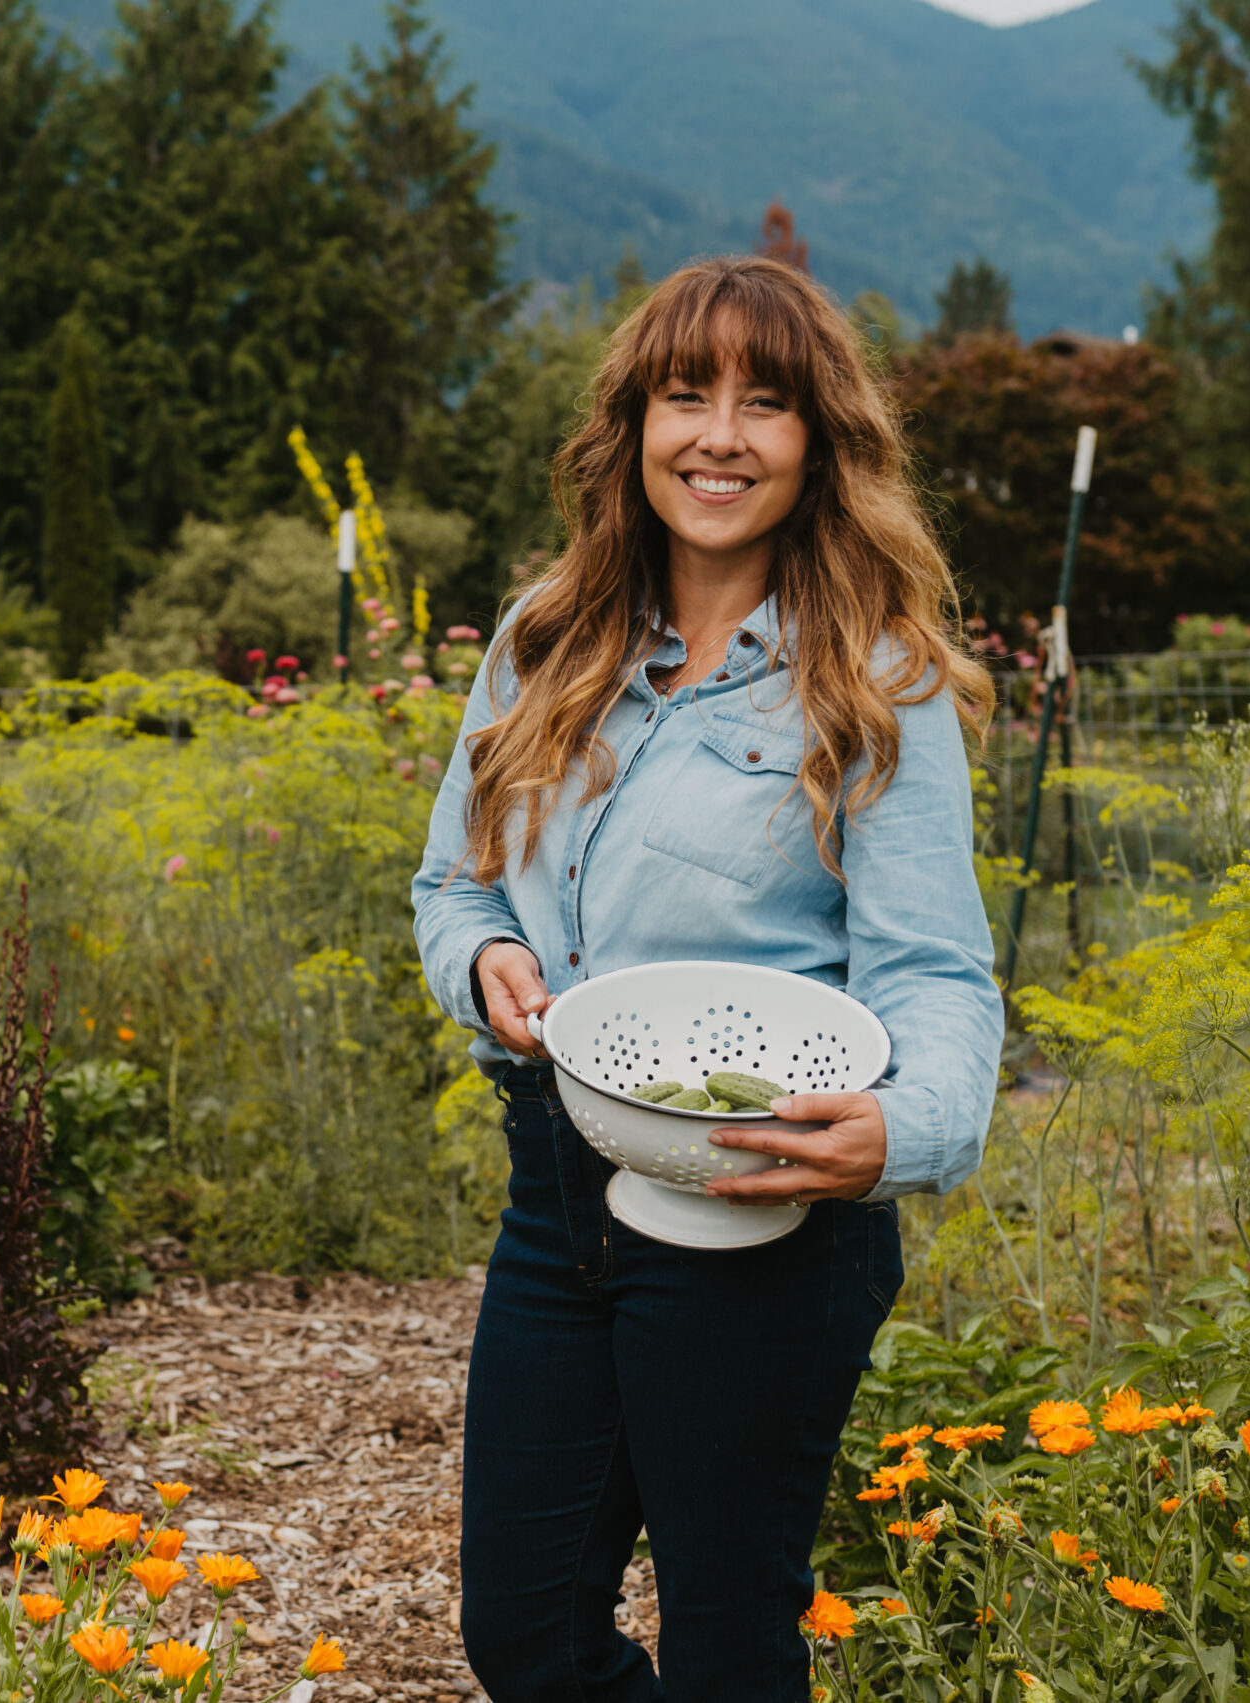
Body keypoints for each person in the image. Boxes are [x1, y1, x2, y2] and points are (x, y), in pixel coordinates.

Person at [411, 255, 1002, 1700]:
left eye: (764, 403)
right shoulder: (546, 636)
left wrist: (905, 1133)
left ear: (819, 444)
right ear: (635, 425)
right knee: (526, 1631)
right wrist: (485, 956)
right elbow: (455, 881)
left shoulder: (875, 680)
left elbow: (934, 973)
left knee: (731, 1644)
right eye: (687, 396)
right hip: (556, 1193)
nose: (720, 436)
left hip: (761, 1206)